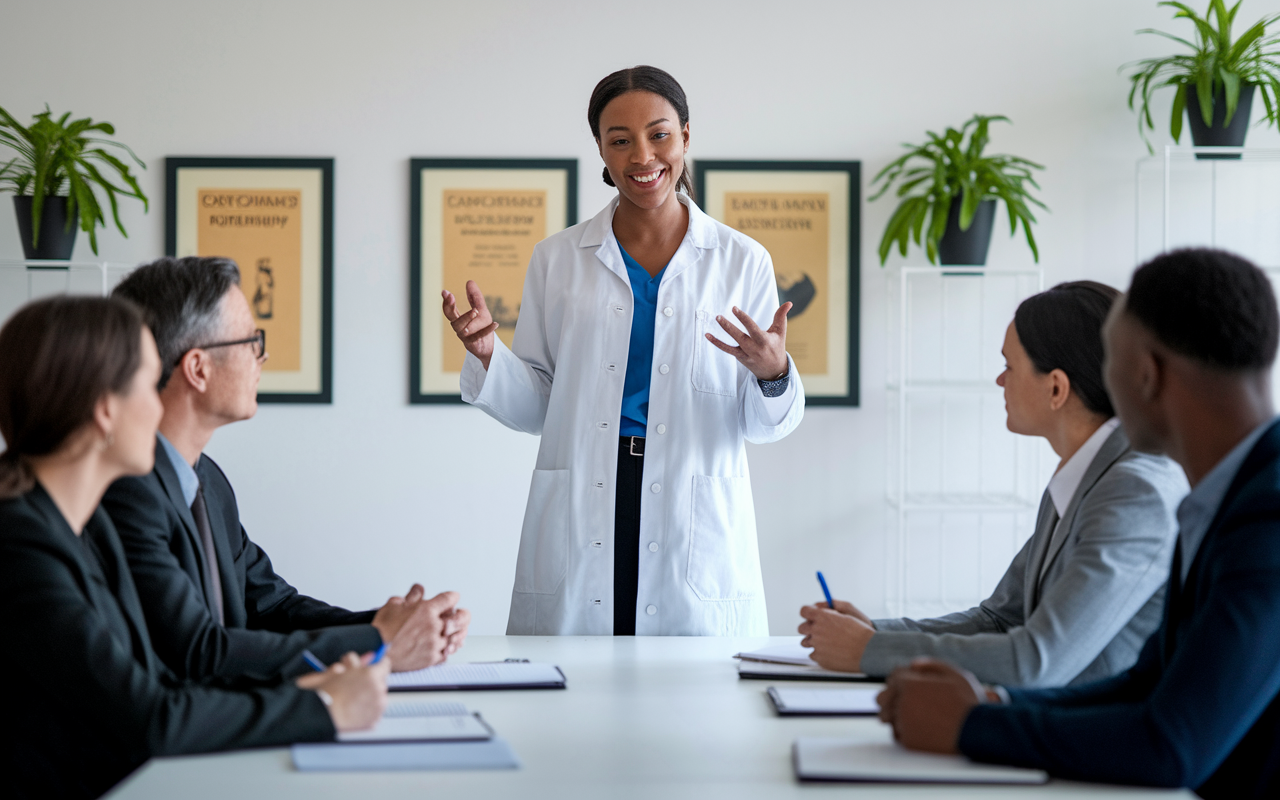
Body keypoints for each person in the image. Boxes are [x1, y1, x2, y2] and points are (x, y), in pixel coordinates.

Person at [877, 248, 1280, 798]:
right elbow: (1146, 685)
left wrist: (973, 725)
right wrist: (994, 703)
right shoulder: (1225, 497)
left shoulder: (1266, 519)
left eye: (1109, 360)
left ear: (1145, 374)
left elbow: (1172, 745)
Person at [441, 65, 804, 636]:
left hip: (691, 501)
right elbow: (541, 404)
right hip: (588, 492)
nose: (642, 156)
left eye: (659, 134)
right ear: (601, 151)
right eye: (620, 140)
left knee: (690, 706)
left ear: (686, 135)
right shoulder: (557, 258)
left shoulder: (742, 260)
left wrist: (773, 373)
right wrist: (490, 355)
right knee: (574, 700)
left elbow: (762, 426)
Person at [0, 296, 388, 799]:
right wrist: (324, 709)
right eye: (147, 382)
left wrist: (308, 689)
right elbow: (150, 719)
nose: (161, 401)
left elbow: (160, 683)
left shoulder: (74, 531)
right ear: (104, 410)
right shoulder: (22, 548)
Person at [798, 282, 1187, 687]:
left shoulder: (1135, 493)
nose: (1000, 381)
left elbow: (1036, 661)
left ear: (1056, 387)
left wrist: (867, 652)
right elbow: (1000, 619)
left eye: (1009, 366)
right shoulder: (1082, 477)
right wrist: (875, 634)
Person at [102, 256, 469, 684]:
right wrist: (378, 642)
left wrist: (391, 625)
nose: (263, 356)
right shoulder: (126, 491)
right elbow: (197, 652)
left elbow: (271, 608)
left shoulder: (209, 482)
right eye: (250, 341)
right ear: (198, 368)